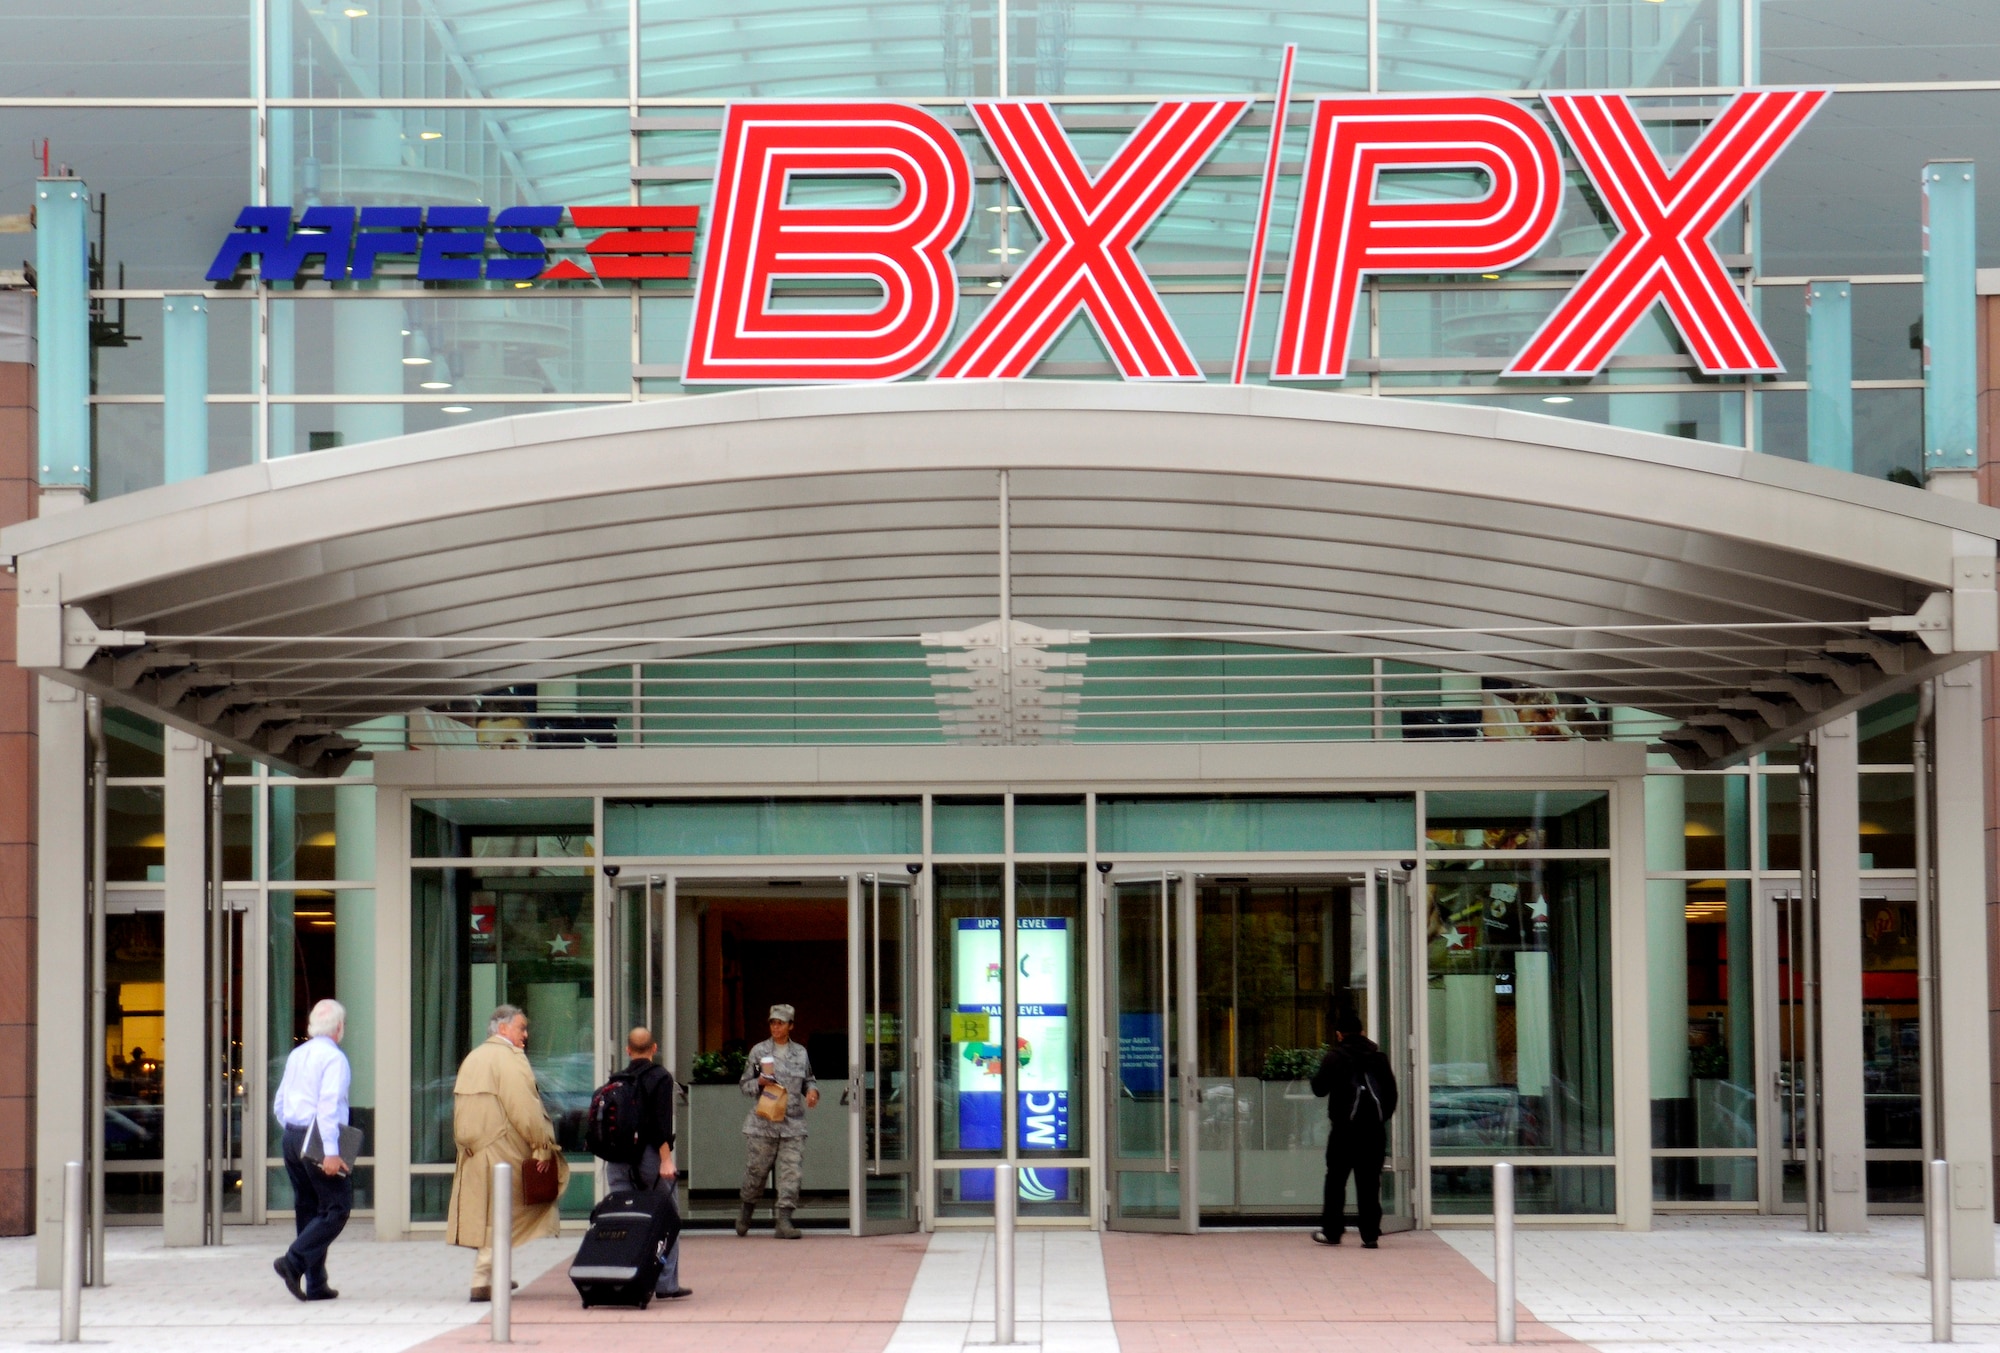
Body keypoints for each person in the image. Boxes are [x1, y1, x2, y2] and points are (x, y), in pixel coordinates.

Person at [448, 1004, 571, 1301]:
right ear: (503, 1029)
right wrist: (542, 1146)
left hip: (473, 1153)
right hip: (503, 1150)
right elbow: (525, 1109)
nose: (526, 1035)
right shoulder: (510, 1059)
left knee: (489, 1213)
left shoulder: (473, 1058)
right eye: (521, 1028)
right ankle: (482, 1278)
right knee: (508, 1212)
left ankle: (494, 1275)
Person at [271, 998, 353, 1301]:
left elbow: (280, 1101)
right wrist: (330, 1151)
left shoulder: (297, 1054)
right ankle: (293, 1263)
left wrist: (292, 1130)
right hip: (318, 1136)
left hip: (292, 1134)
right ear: (340, 1027)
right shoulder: (334, 1059)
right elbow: (329, 1105)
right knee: (336, 1208)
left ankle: (316, 1283)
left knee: (307, 1208)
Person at [603, 1026, 690, 1299]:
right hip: (649, 1159)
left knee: (624, 1220)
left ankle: (623, 1279)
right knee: (668, 1217)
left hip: (617, 1161)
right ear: (654, 1048)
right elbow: (660, 1124)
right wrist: (666, 1160)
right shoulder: (660, 1077)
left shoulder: (616, 1079)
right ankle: (665, 1284)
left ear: (628, 1051)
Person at [1310, 1008, 1399, 1249]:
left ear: (1339, 1034)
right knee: (1370, 1182)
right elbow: (1391, 1095)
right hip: (1373, 1132)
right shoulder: (1378, 1058)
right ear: (1362, 1032)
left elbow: (1319, 1089)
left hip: (1343, 1130)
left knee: (1336, 1180)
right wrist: (1379, 1120)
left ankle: (1332, 1232)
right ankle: (1370, 1235)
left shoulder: (1334, 1057)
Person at [736, 1004, 819, 1239]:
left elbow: (809, 1079)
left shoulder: (800, 1053)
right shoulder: (759, 1051)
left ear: (790, 1026)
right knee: (756, 1172)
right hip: (764, 1123)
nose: (776, 1027)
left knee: (791, 1173)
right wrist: (759, 1083)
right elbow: (744, 1085)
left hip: (793, 1123)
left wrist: (812, 1092)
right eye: (773, 1023)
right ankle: (746, 1212)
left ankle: (784, 1220)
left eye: (781, 1023)